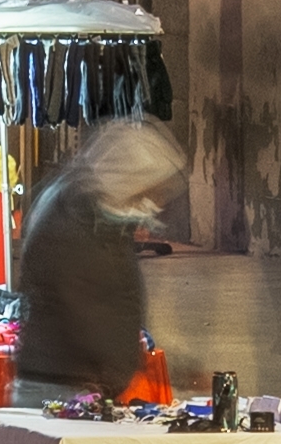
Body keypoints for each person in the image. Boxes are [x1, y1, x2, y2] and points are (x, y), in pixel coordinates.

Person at [13, 111, 187, 406]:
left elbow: (115, 300)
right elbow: (84, 309)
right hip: (59, 385)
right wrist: (123, 364)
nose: (154, 202)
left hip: (84, 381)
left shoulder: (103, 216)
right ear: (130, 178)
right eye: (150, 190)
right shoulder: (71, 220)